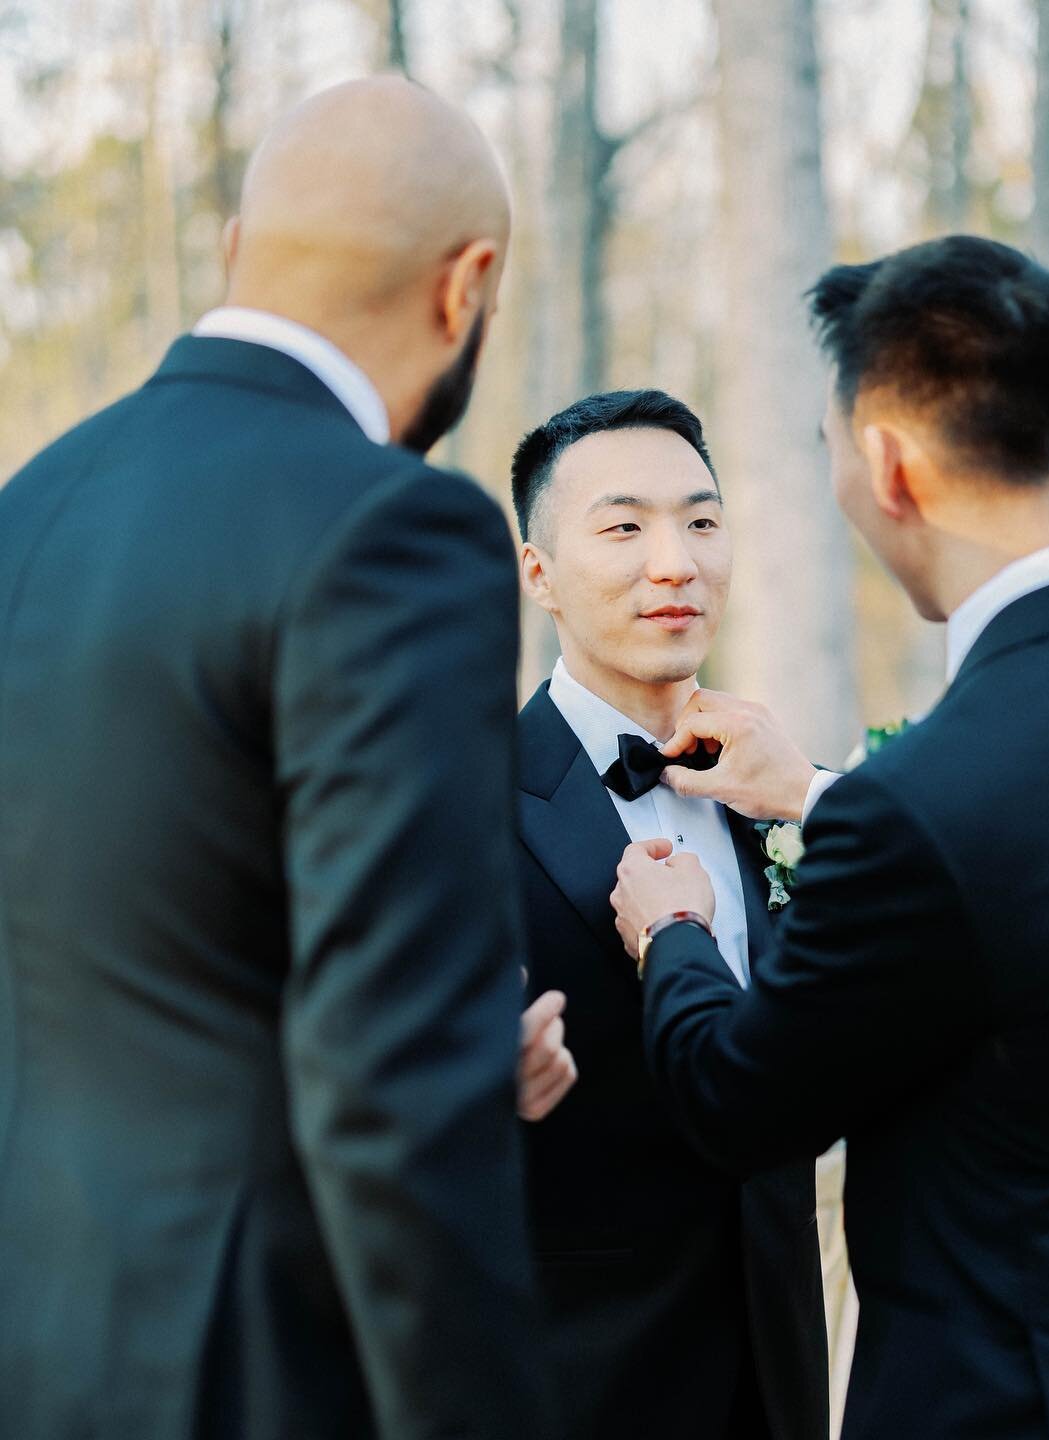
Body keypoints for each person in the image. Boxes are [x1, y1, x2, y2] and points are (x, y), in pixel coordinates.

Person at [609, 235, 1049, 1439]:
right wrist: (818, 795)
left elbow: (740, 1099)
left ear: (887, 462)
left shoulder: (933, 801)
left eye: (831, 450)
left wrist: (674, 934)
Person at [0, 77, 560, 1440]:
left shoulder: (30, 507)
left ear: (238, 244)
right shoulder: (395, 536)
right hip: (252, 1373)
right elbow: (397, 1090)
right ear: (466, 285)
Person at [508, 389, 829, 1440]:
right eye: (624, 526)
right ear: (539, 573)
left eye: (701, 520)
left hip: (781, 1367)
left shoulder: (784, 786)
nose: (675, 561)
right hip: (571, 1379)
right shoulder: (456, 804)